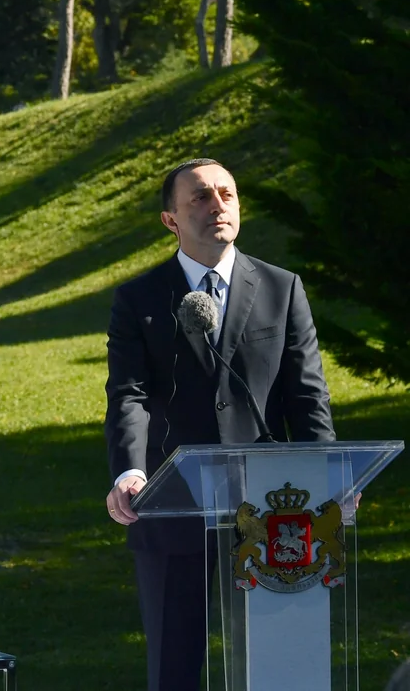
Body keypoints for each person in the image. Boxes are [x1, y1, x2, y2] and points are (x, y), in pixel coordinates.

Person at [103, 158, 334, 691]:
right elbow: (129, 395)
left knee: (280, 666)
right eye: (201, 198)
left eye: (227, 195)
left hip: (275, 507)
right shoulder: (140, 299)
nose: (218, 206)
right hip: (173, 501)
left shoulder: (281, 288)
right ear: (171, 220)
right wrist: (129, 472)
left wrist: (328, 474)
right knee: (174, 664)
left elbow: (307, 394)